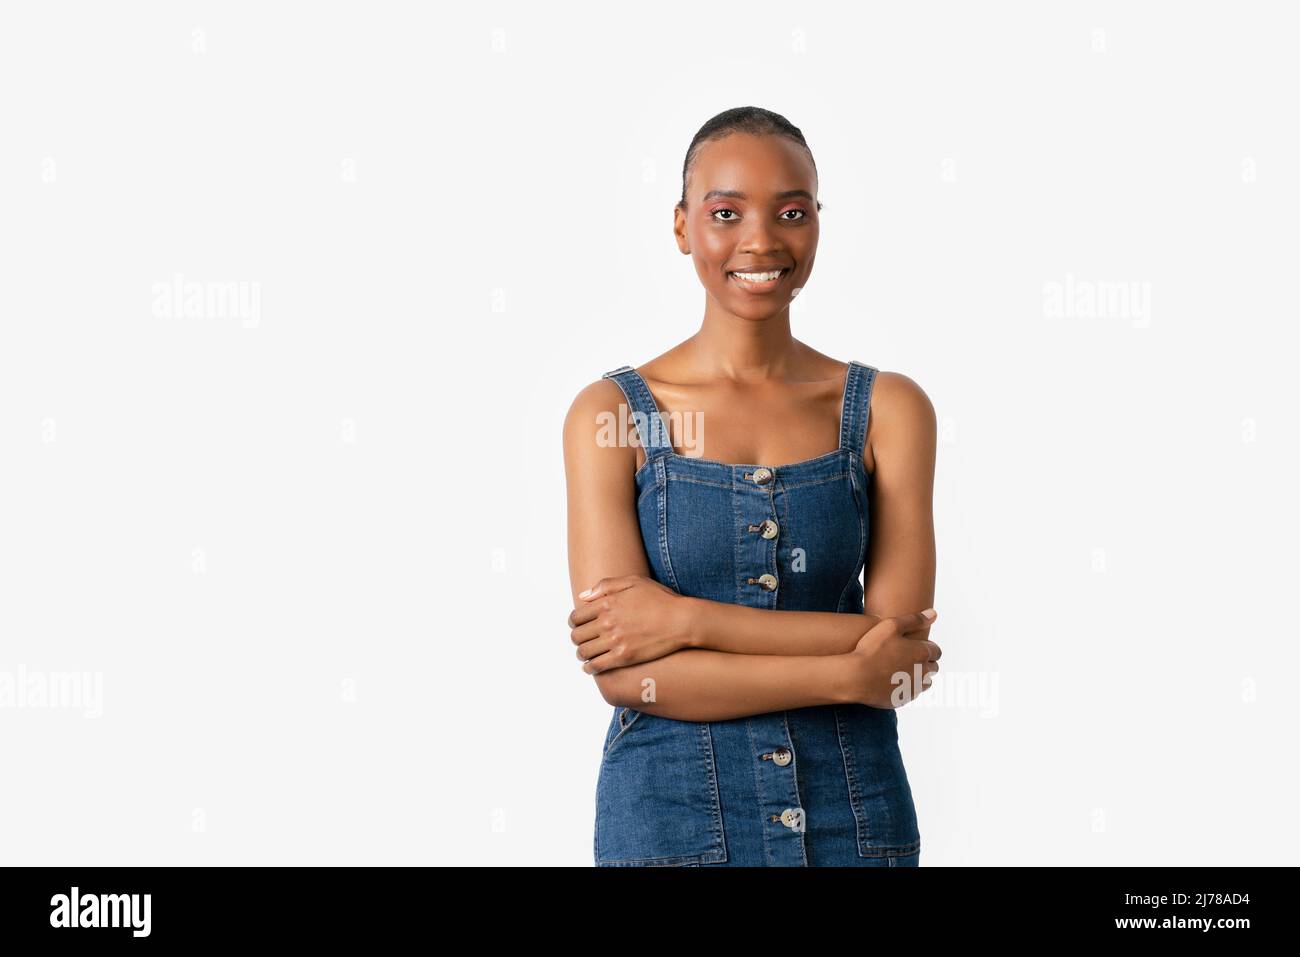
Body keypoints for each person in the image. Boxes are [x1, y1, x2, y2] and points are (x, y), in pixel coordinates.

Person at [562, 106, 942, 867]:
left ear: (818, 224)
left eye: (791, 212)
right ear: (681, 226)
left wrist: (682, 619)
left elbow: (901, 652)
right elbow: (631, 676)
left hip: (853, 815)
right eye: (726, 212)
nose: (761, 241)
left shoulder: (887, 409)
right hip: (672, 820)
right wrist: (846, 668)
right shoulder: (611, 415)